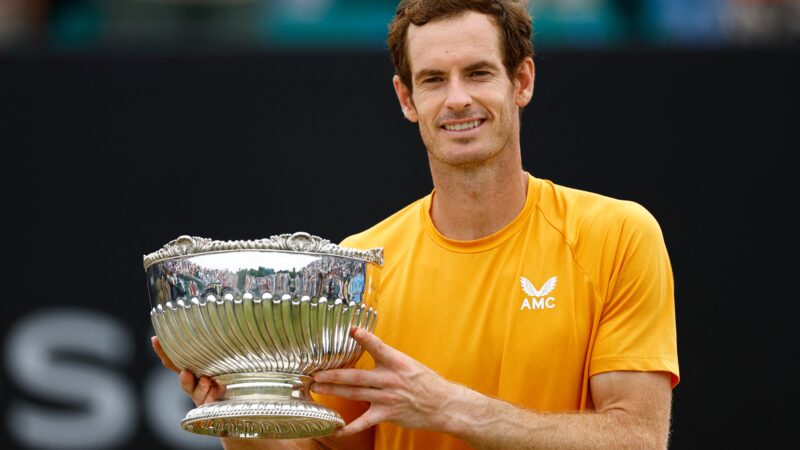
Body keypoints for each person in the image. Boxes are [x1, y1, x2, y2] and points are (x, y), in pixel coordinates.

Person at [152, 1, 679, 449]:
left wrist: (450, 408)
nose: (457, 100)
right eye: (433, 80)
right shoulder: (360, 265)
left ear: (522, 80)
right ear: (407, 98)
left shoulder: (617, 234)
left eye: (478, 73)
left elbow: (638, 437)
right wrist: (244, 421)